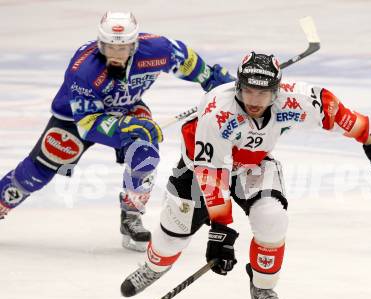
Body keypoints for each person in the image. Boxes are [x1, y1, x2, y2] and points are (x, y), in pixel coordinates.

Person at [119, 52, 371, 299]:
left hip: (252, 166)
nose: (255, 101)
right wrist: (220, 230)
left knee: (272, 218)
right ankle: (155, 267)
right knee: (172, 234)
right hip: (198, 170)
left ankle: (263, 288)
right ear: (238, 87)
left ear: (276, 92)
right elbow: (212, 173)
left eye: (263, 93)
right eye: (249, 91)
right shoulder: (218, 111)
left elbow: (333, 111)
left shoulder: (294, 99)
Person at [0, 12, 234, 252]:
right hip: (74, 119)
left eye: (122, 49)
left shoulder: (157, 50)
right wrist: (125, 127)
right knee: (36, 173)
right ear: (100, 44)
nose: (115, 54)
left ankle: (131, 216)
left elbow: (188, 61)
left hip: (127, 108)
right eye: (109, 47)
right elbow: (88, 124)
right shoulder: (84, 71)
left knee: (145, 150)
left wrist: (217, 82)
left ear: (135, 44)